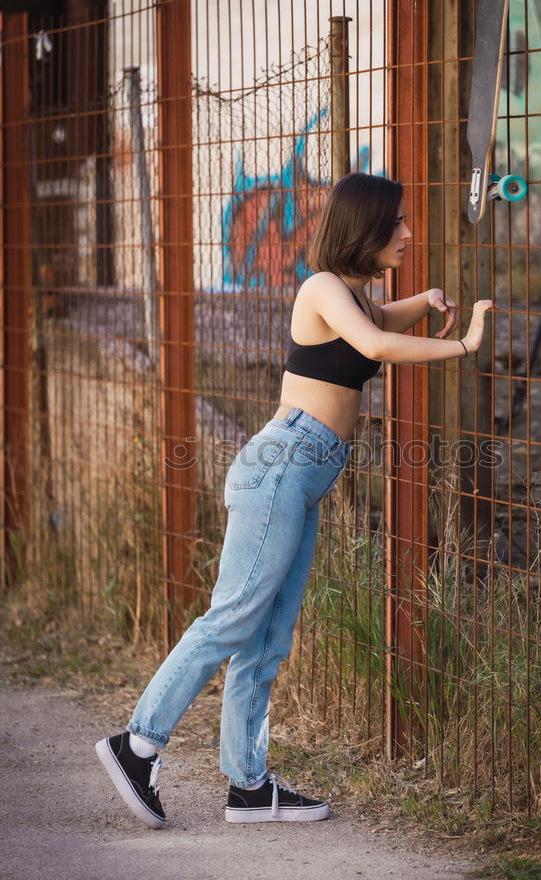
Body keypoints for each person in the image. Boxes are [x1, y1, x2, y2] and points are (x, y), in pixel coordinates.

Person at [95, 172, 493, 828]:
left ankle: (249, 788)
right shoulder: (322, 289)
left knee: (268, 637)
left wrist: (423, 299)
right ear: (360, 227)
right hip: (281, 468)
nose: (406, 233)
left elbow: (381, 322)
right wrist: (462, 343)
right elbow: (374, 346)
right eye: (394, 223)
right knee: (230, 620)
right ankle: (136, 745)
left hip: (303, 476)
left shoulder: (356, 296)